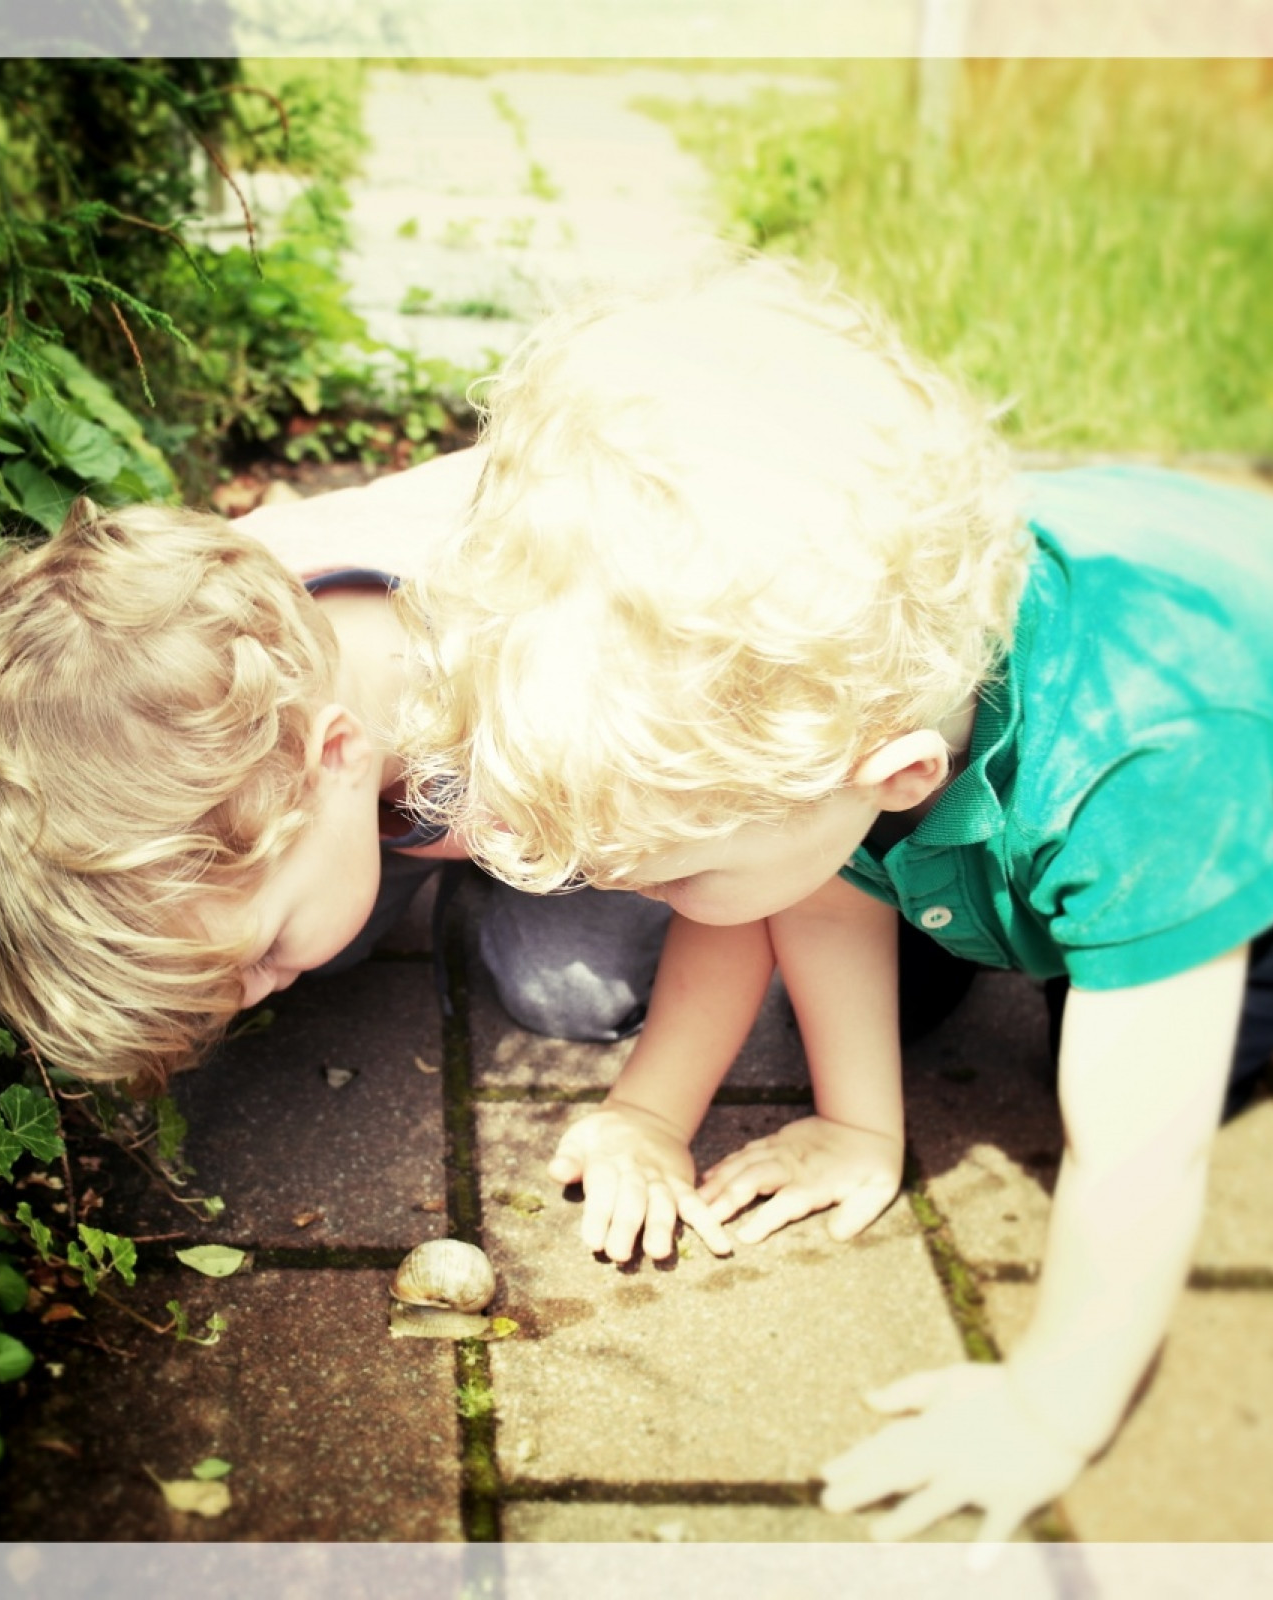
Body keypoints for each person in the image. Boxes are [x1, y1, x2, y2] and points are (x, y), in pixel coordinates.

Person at [401, 257, 1273, 1542]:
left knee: (1142, 1062)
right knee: (851, 916)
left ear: (898, 773)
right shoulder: (848, 711)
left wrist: (1051, 1409)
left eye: (679, 871)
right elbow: (822, 872)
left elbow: (1140, 1162)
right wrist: (848, 1122)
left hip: (1233, 786)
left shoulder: (1145, 763)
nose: (658, 902)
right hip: (960, 773)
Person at [0, 451, 669, 1091]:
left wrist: (652, 1111)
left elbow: (742, 877)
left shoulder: (561, 703)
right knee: (331, 947)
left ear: (335, 755)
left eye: (262, 951)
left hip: (598, 785)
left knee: (568, 994)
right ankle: (398, 860)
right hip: (416, 782)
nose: (244, 1000)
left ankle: (512, 860)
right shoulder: (216, 639)